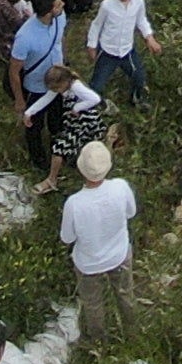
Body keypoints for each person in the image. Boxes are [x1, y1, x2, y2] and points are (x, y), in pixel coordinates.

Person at [61, 139, 137, 332]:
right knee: (125, 293)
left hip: (89, 263)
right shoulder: (121, 187)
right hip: (119, 254)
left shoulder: (74, 203)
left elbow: (67, 238)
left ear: (81, 169)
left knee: (93, 303)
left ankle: (98, 340)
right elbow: (131, 213)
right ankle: (132, 330)